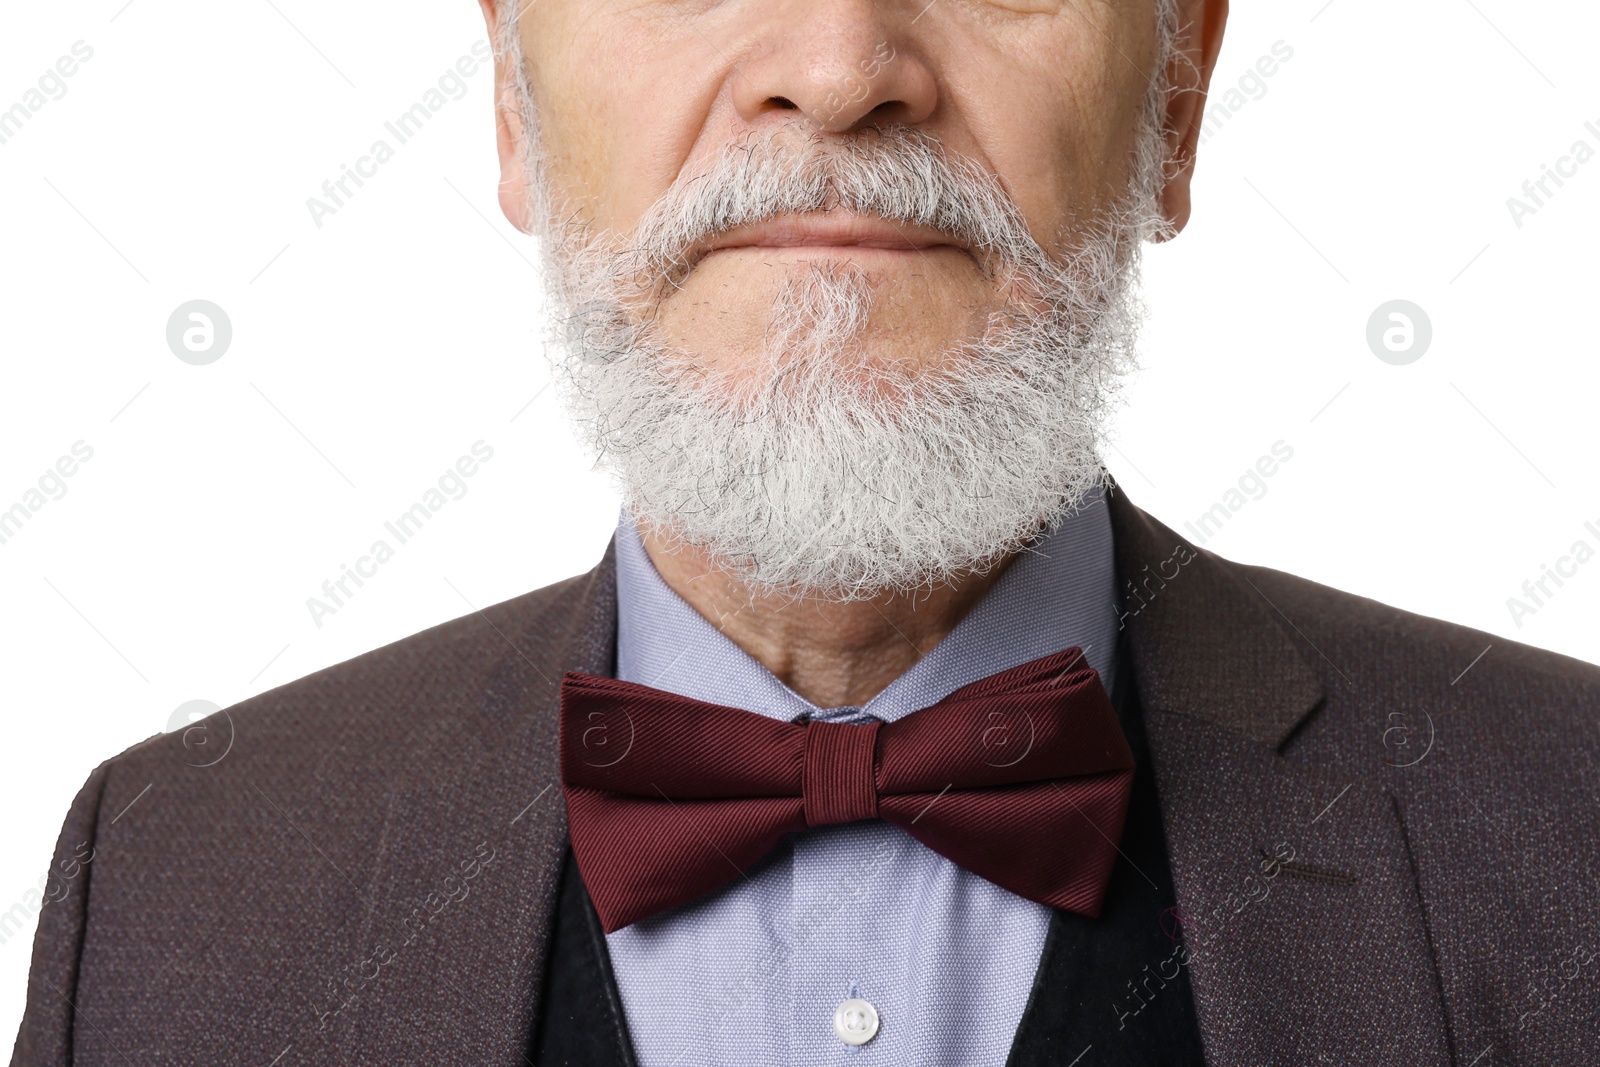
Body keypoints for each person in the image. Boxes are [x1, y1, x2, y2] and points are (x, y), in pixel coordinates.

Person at [13, 0, 1600, 1063]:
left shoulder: (1569, 833)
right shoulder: (167, 896)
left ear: (1175, 92)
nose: (841, 70)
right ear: (512, 94)